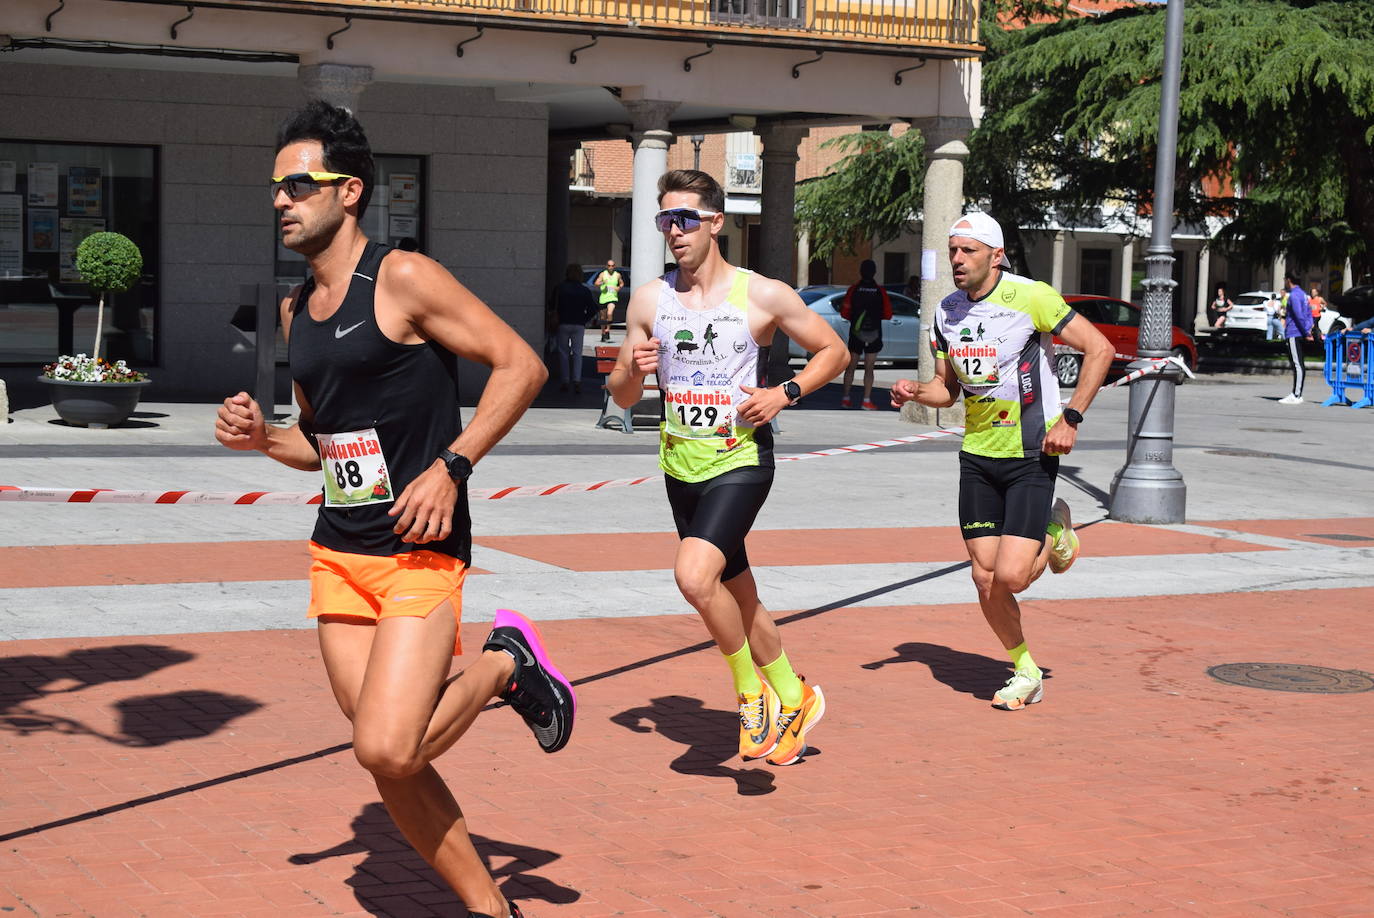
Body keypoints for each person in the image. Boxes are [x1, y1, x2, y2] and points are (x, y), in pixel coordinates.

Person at [214, 101, 573, 918]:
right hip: (340, 553)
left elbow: (520, 368)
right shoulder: (293, 311)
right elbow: (321, 442)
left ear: (348, 192)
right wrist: (263, 440)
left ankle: (506, 663)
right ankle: (493, 909)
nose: (280, 200)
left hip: (420, 550)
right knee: (388, 763)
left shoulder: (402, 276)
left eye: (296, 184)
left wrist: (453, 465)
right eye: (274, 188)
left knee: (385, 742)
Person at [607, 169, 848, 765]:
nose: (675, 232)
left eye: (686, 219)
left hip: (739, 459)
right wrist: (633, 369)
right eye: (666, 220)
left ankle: (751, 695)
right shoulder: (649, 299)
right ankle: (795, 695)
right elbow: (621, 397)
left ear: (717, 222)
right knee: (739, 597)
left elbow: (834, 352)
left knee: (693, 577)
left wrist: (784, 393)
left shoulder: (760, 294)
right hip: (679, 465)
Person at [890, 212, 1113, 711]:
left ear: (996, 255)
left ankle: (1057, 530)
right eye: (952, 251)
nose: (957, 260)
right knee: (984, 577)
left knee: (1011, 577)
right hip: (978, 454)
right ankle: (1026, 670)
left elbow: (1099, 349)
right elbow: (945, 391)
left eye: (967, 251)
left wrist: (1070, 417)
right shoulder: (946, 312)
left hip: (1032, 449)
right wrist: (913, 391)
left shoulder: (1031, 296)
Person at [839, 259, 893, 410]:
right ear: (875, 272)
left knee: (850, 367)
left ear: (860, 272)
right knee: (869, 368)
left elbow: (844, 312)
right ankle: (866, 400)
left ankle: (846, 398)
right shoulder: (880, 291)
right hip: (874, 332)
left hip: (856, 332)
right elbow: (888, 314)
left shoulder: (854, 289)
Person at [551, 262, 598, 393]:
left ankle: (565, 380)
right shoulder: (584, 290)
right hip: (578, 324)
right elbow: (593, 309)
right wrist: (584, 319)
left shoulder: (559, 288)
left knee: (563, 353)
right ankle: (577, 380)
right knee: (577, 353)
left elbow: (551, 305)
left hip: (563, 323)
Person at [1279, 273, 1313, 404]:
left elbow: (1299, 315)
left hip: (1294, 333)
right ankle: (1297, 393)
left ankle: (1296, 394)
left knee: (1297, 364)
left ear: (1288, 280)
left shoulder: (1293, 295)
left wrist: (1305, 332)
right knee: (1299, 363)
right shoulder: (1304, 295)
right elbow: (1309, 313)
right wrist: (1308, 328)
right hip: (1300, 332)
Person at [594, 259, 623, 343]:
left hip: (613, 297)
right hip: (603, 298)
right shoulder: (603, 274)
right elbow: (596, 283)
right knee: (603, 317)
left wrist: (618, 288)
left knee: (610, 313)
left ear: (614, 266)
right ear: (606, 266)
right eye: (609, 265)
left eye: (612, 265)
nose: (611, 267)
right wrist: (603, 282)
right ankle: (603, 333)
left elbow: (621, 283)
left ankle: (608, 330)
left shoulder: (617, 275)